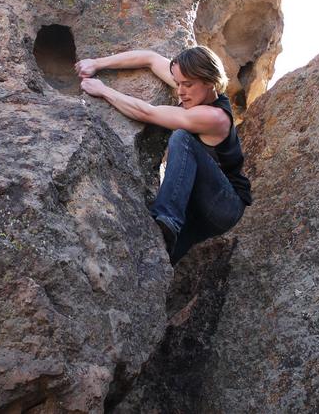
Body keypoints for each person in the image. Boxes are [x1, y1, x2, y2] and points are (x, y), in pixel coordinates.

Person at [76, 46, 252, 265]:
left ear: (210, 82)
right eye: (177, 83)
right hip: (198, 203)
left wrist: (103, 90)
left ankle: (167, 216)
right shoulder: (194, 89)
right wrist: (97, 63)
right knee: (158, 258)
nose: (180, 91)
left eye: (187, 85)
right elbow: (149, 58)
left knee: (182, 138)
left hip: (224, 204)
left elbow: (146, 113)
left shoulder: (214, 117)